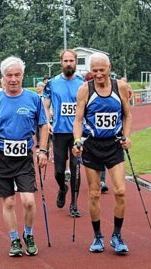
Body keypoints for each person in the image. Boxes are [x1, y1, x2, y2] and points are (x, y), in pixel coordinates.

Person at [0, 56, 49, 257]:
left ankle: (28, 234)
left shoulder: (33, 99)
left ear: (23, 76)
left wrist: (42, 150)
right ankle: (14, 239)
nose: (13, 79)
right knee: (8, 202)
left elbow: (43, 125)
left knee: (28, 201)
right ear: (2, 78)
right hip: (0, 155)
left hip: (24, 156)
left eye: (17, 75)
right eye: (9, 75)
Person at [72, 52, 132, 254]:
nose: (98, 74)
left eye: (102, 70)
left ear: (109, 67)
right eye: (94, 70)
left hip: (114, 145)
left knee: (121, 191)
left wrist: (127, 136)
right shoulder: (84, 90)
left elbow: (127, 114)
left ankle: (117, 235)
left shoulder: (120, 87)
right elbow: (78, 120)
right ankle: (98, 236)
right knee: (94, 193)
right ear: (90, 71)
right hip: (92, 146)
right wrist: (77, 140)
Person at [43, 49, 84, 217]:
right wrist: (47, 122)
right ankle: (62, 188)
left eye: (71, 61)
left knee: (76, 168)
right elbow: (45, 105)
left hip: (77, 134)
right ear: (61, 63)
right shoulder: (52, 83)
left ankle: (74, 204)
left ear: (75, 62)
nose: (68, 64)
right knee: (59, 171)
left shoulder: (83, 83)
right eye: (65, 61)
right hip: (59, 132)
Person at [86, 72, 109, 193]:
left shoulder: (106, 94)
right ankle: (96, 181)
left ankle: (102, 181)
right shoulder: (85, 93)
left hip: (105, 137)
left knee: (102, 158)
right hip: (89, 136)